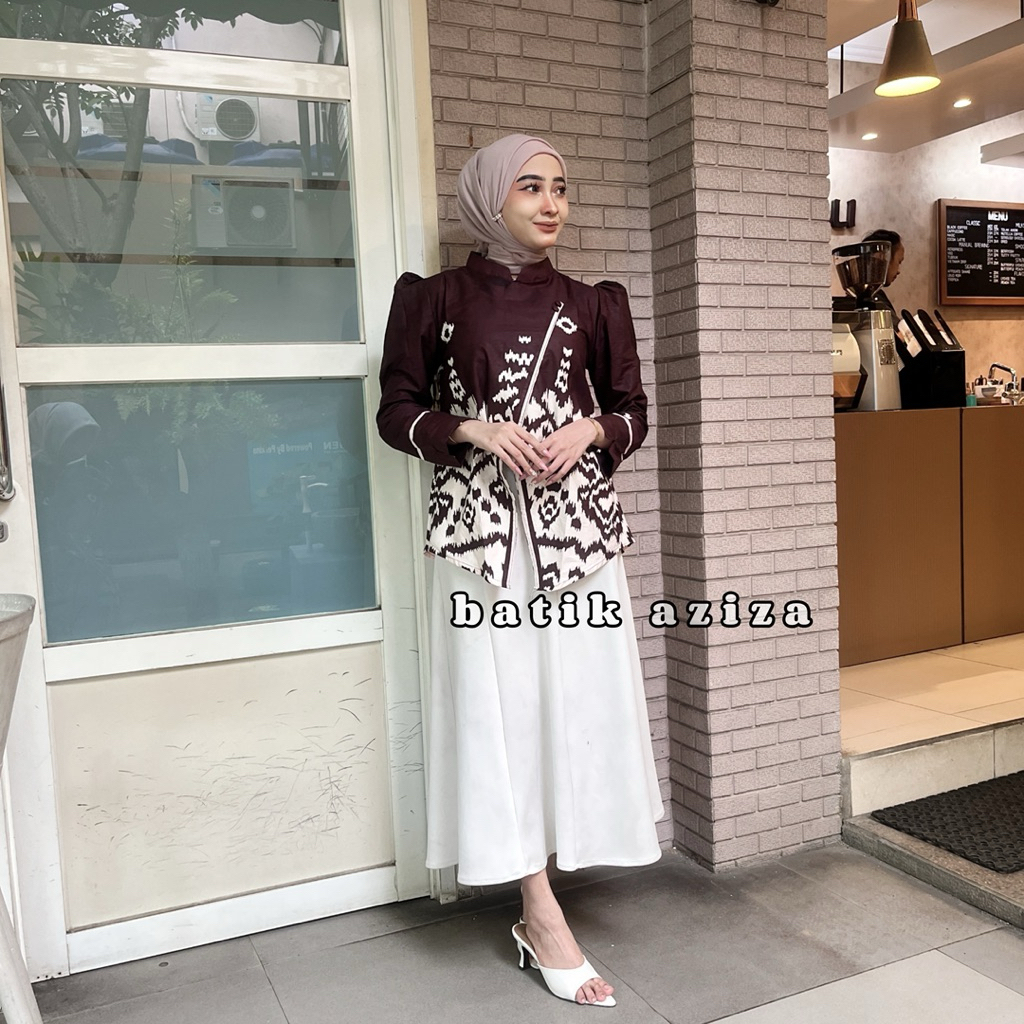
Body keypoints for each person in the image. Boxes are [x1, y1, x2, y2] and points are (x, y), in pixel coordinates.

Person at [377, 134, 665, 1008]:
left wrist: (592, 430)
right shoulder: (433, 299)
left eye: (560, 188)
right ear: (490, 197)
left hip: (578, 544)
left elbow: (633, 411)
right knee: (496, 712)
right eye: (530, 186)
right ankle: (539, 911)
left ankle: (556, 872)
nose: (551, 204)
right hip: (482, 548)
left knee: (573, 704)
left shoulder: (594, 303)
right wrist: (470, 429)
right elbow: (395, 411)